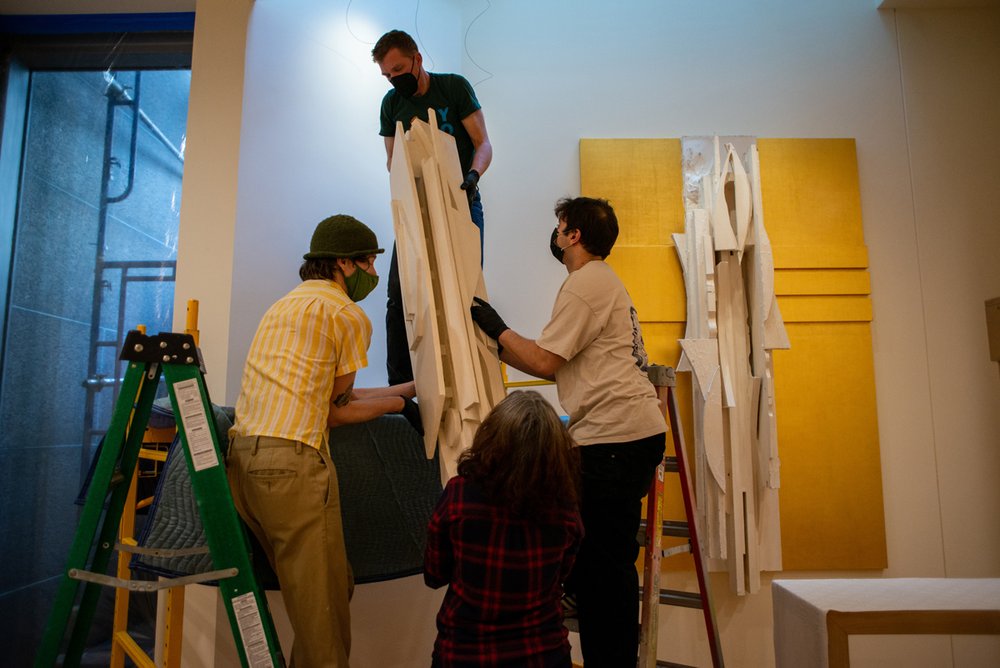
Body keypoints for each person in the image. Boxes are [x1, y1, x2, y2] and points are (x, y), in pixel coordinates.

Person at [469, 197, 667, 667]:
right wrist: (494, 343)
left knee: (604, 567)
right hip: (622, 436)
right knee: (600, 558)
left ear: (573, 233)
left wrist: (496, 326)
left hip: (616, 437)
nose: (555, 235)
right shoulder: (598, 283)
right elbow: (548, 364)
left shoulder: (585, 285)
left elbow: (542, 360)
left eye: (559, 227)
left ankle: (610, 658)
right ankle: (591, 617)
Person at [227, 214, 418, 667]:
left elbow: (329, 393)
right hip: (293, 469)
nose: (373, 274)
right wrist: (402, 409)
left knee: (331, 588)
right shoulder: (346, 313)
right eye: (369, 264)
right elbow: (337, 411)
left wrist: (406, 389)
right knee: (324, 620)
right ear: (344, 264)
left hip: (244, 463)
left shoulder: (285, 305)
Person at [424, 390, 584, 668]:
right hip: (544, 654)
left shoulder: (460, 494)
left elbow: (434, 574)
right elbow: (564, 577)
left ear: (491, 437)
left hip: (464, 654)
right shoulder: (565, 507)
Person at [372, 28, 493, 385]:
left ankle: (472, 374)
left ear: (417, 59)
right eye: (387, 75)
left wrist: (472, 176)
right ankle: (402, 387)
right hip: (417, 209)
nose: (394, 79)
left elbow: (483, 143)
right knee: (399, 295)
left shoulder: (453, 87)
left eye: (397, 69)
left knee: (468, 292)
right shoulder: (391, 104)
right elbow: (393, 161)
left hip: (461, 201)